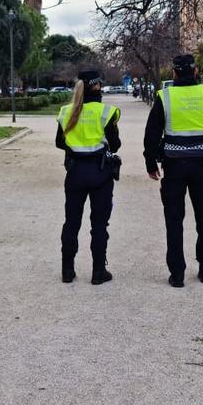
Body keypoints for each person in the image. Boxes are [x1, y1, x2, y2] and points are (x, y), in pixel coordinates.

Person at [143, 54, 203, 287]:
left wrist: (150, 163)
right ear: (196, 70)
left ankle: (177, 274)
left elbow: (152, 134)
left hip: (174, 165)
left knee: (174, 220)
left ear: (174, 73)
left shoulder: (165, 96)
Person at [56, 69, 121, 285]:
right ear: (97, 86)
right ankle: (98, 272)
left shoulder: (66, 111)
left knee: (71, 223)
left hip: (75, 173)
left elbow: (59, 142)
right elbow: (116, 144)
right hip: (100, 173)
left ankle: (67, 270)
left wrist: (77, 145)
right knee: (99, 225)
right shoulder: (106, 111)